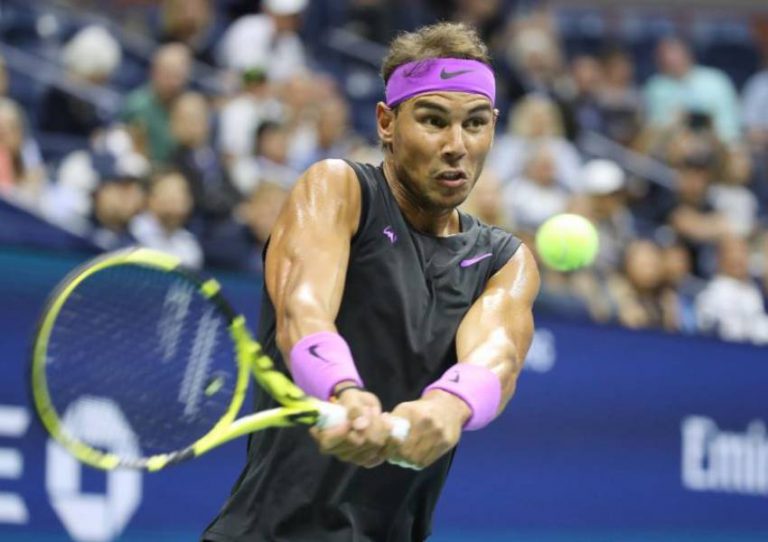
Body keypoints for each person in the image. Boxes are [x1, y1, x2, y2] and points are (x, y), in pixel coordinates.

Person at [202, 22, 539, 542]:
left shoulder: (504, 260)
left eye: (475, 124)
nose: (456, 145)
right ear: (387, 121)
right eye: (432, 121)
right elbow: (302, 311)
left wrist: (448, 407)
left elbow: (498, 356)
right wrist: (343, 391)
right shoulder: (338, 189)